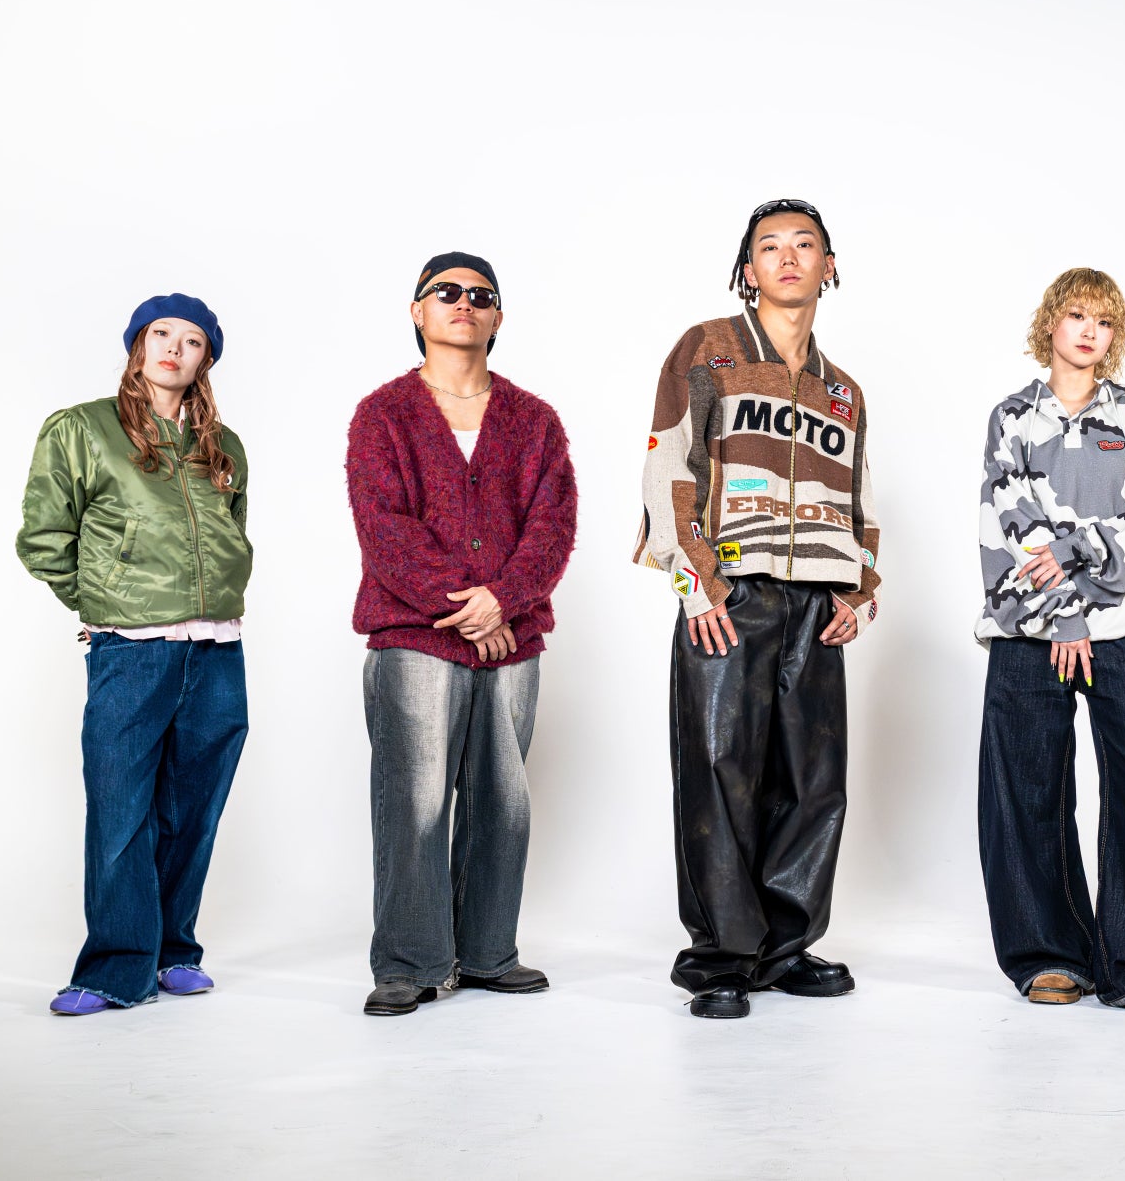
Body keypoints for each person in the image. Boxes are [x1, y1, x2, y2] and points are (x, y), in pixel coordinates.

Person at [635, 198, 880, 1019]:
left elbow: (860, 498)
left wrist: (859, 590)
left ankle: (783, 948)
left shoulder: (844, 391)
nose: (788, 257)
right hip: (728, 591)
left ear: (829, 267)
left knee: (812, 781)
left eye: (805, 245)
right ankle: (720, 957)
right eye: (769, 247)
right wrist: (692, 580)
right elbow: (669, 461)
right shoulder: (708, 349)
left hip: (817, 600)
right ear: (748, 270)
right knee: (719, 771)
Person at [346, 251, 577, 1017]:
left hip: (511, 640)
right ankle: (410, 962)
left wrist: (503, 601)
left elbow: (552, 526)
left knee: (501, 801)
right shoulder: (383, 415)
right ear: (418, 311)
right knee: (413, 801)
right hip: (414, 637)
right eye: (445, 292)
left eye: (481, 295)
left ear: (499, 317)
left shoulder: (534, 421)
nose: (464, 302)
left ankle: (485, 953)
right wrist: (469, 607)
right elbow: (384, 528)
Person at [17, 294, 252, 1015]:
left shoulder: (224, 445)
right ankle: (115, 969)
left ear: (207, 358)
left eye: (192, 340)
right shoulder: (83, 428)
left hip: (217, 647)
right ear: (138, 344)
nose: (174, 348)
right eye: (161, 333)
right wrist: (105, 604)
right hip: (130, 648)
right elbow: (43, 539)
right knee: (122, 810)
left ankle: (173, 951)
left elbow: (234, 531)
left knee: (194, 810)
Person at [973, 267, 1125, 1017]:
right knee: (1026, 790)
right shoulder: (1011, 418)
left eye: (1104, 319)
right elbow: (1008, 528)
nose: (1090, 330)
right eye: (1076, 315)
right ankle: (1048, 954)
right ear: (1051, 323)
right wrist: (1065, 616)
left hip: (1123, 627)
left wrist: (1075, 571)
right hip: (1030, 629)